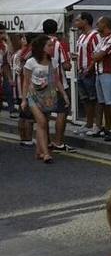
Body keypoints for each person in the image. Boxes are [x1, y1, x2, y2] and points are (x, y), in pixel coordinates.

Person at [23, 35, 65, 164]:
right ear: (42, 47)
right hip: (33, 96)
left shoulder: (52, 62)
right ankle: (46, 153)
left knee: (44, 123)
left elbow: (57, 80)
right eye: (49, 45)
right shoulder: (31, 62)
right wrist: (24, 99)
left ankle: (39, 151)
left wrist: (64, 94)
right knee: (41, 122)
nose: (52, 48)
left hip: (47, 97)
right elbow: (26, 81)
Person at [43, 19, 72, 151]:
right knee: (62, 112)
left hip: (42, 84)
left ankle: (46, 141)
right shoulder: (58, 44)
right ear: (56, 29)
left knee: (45, 115)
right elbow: (66, 65)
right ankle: (58, 142)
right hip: (59, 83)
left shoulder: (38, 43)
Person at [93, 17, 111, 142]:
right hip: (99, 73)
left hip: (109, 73)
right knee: (102, 102)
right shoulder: (102, 40)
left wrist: (95, 56)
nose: (97, 25)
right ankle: (107, 127)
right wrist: (95, 56)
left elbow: (98, 55)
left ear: (104, 25)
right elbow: (95, 55)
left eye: (98, 23)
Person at [73, 13, 101, 135]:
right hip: (80, 71)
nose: (76, 23)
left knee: (93, 98)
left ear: (85, 21)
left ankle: (96, 124)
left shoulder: (94, 36)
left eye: (78, 20)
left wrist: (89, 68)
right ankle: (89, 123)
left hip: (89, 72)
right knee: (85, 99)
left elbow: (96, 54)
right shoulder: (81, 37)